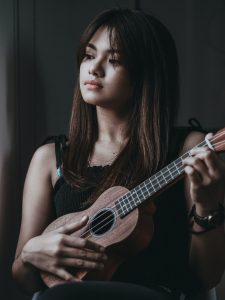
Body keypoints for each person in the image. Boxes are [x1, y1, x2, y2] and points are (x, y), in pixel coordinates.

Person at [12, 8, 225, 300]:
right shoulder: (50, 159)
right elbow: (25, 281)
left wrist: (207, 205)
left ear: (146, 74)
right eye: (89, 55)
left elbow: (207, 276)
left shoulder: (188, 149)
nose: (94, 68)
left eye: (114, 60)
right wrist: (28, 255)